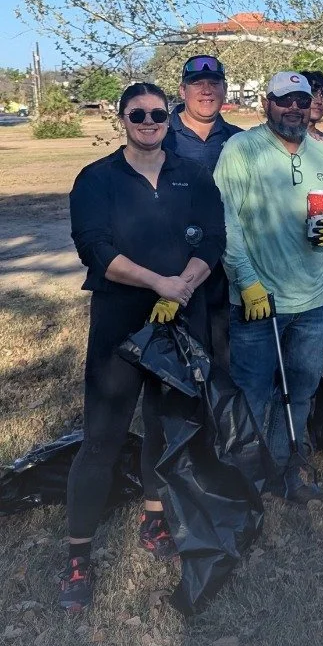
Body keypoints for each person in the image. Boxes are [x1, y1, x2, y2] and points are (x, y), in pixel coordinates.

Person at [61, 83, 226, 611]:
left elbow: (214, 241)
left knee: (164, 425)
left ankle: (154, 519)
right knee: (103, 436)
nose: (150, 121)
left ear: (168, 116)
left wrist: (185, 284)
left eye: (158, 113)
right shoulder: (97, 179)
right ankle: (78, 553)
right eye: (139, 114)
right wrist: (158, 283)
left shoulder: (192, 174)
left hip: (181, 317)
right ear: (123, 119)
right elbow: (96, 250)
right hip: (120, 323)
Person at [214, 71, 323, 505]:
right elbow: (226, 223)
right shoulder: (241, 150)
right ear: (266, 102)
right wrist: (247, 282)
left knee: (302, 386)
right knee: (254, 390)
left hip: (314, 301)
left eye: (301, 100)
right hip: (258, 301)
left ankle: (292, 465)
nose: (293, 107)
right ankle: (248, 478)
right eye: (283, 100)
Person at [161, 54, 242, 363]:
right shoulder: (161, 135)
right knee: (177, 354)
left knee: (225, 350)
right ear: (183, 91)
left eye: (214, 83)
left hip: (228, 260)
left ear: (224, 89)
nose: (206, 91)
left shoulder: (240, 140)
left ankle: (221, 410)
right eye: (197, 84)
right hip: (174, 261)